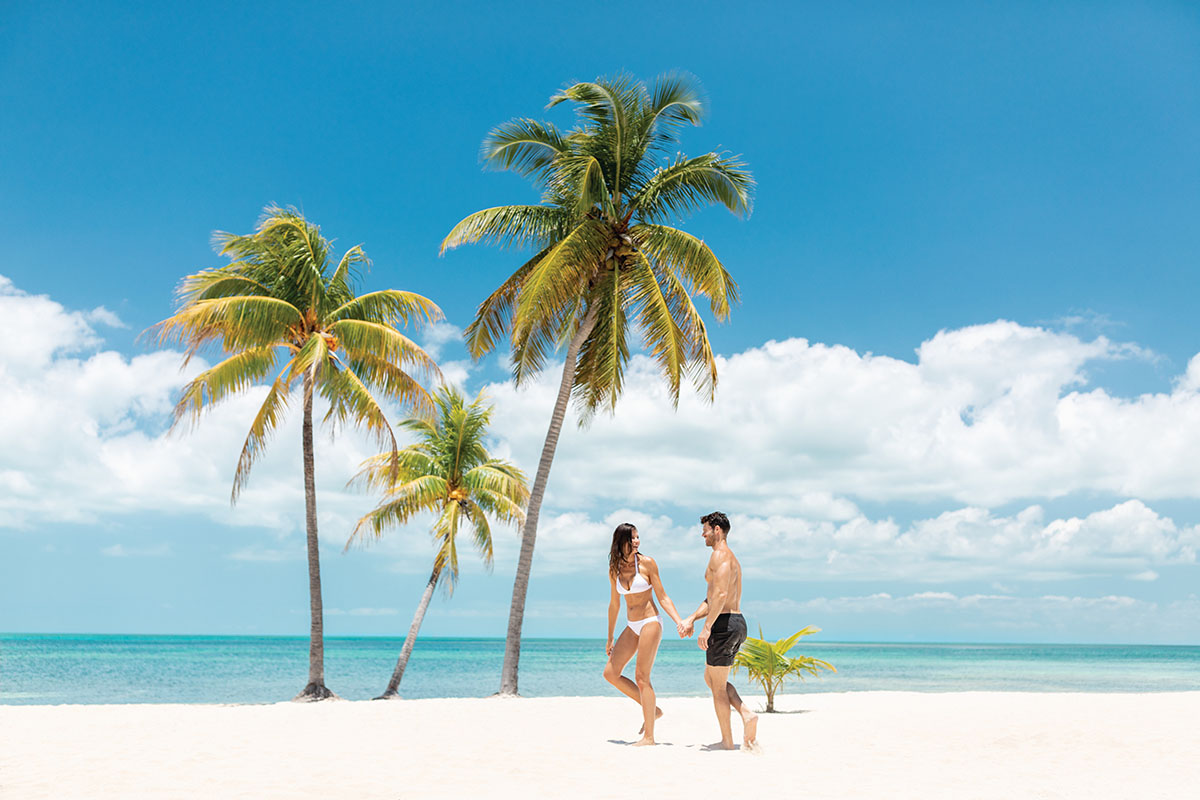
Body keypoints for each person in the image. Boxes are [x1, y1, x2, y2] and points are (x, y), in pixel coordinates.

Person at [678, 511, 758, 751]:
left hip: (724, 625)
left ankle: (728, 739)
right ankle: (745, 713)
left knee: (718, 686)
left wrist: (707, 628)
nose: (702, 534)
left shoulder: (720, 556)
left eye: (705, 529)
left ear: (717, 530)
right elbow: (711, 597)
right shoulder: (728, 558)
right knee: (712, 679)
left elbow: (721, 596)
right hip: (734, 622)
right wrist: (692, 618)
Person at [603, 522, 685, 746]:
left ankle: (649, 737)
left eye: (638, 537)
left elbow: (663, 596)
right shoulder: (615, 568)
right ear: (622, 542)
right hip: (632, 625)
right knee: (610, 673)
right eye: (633, 538)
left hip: (650, 622)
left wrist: (679, 621)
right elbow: (614, 605)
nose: (637, 541)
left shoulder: (648, 563)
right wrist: (610, 637)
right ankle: (653, 709)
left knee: (641, 677)